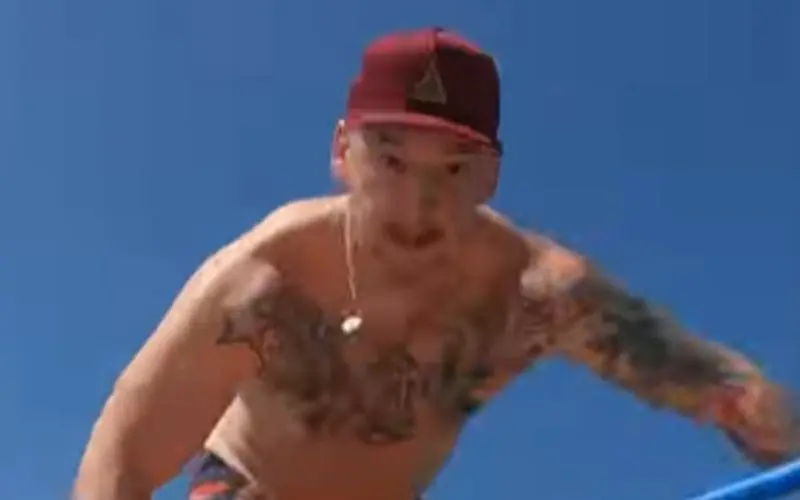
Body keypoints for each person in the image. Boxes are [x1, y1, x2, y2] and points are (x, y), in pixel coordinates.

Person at [73, 27, 798, 500]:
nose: (417, 206)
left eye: (454, 170)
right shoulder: (264, 282)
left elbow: (726, 390)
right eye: (390, 161)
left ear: (492, 176)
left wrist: (772, 428)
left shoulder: (537, 294)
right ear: (342, 151)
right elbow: (125, 457)